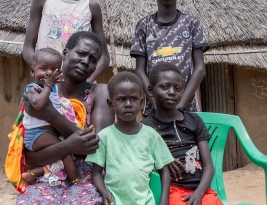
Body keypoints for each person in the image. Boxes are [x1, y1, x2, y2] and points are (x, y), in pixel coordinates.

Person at [16, 31, 114, 204]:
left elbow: (95, 148)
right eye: (82, 54)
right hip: (45, 178)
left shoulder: (100, 93)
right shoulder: (35, 93)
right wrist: (70, 146)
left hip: (88, 181)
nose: (86, 61)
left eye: (93, 59)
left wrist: (50, 115)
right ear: (66, 53)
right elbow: (29, 158)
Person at [130, 0, 209, 116]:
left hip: (187, 108)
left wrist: (181, 104)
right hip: (154, 110)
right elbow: (140, 70)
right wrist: (154, 102)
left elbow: (200, 69)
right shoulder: (144, 26)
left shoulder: (191, 23)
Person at [86, 71, 174, 205]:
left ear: (141, 102)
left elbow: (164, 170)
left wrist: (164, 201)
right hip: (114, 201)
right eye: (121, 99)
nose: (128, 104)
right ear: (110, 104)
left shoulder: (151, 135)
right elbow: (96, 173)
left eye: (133, 99)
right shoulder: (105, 136)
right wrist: (104, 192)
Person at [142, 62, 223, 205]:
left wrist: (199, 193)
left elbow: (209, 166)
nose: (172, 92)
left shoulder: (194, 120)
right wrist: (164, 160)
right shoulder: (147, 127)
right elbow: (145, 163)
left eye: (178, 88)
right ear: (150, 90)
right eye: (165, 87)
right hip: (171, 189)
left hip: (200, 190)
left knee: (212, 203)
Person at [19, 48, 79, 186]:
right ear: (33, 71)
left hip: (46, 133)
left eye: (54, 70)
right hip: (36, 134)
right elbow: (38, 104)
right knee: (64, 150)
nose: (49, 73)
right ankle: (75, 181)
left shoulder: (54, 89)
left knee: (56, 159)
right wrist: (48, 85)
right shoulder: (32, 88)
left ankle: (31, 174)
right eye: (44, 69)